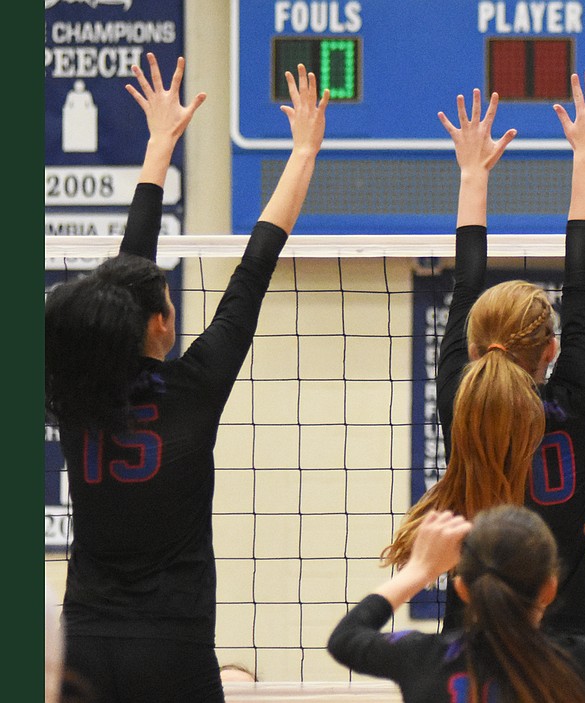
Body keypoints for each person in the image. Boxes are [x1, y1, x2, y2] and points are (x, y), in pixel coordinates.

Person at [44, 53, 328, 703]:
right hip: (171, 649)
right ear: (164, 323)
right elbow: (255, 265)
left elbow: (128, 271)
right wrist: (304, 153)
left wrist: (160, 142)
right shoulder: (193, 391)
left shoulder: (77, 391)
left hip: (83, 642)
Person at [382, 70, 585, 636]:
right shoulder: (576, 399)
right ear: (553, 350)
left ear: (472, 346)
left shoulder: (462, 400)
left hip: (474, 633)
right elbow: (581, 281)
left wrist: (472, 174)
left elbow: (466, 285)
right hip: (568, 637)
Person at [331, 506, 585, 702]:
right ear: (550, 589)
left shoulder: (421, 657)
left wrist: (417, 570)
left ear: (462, 589)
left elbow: (346, 638)